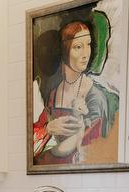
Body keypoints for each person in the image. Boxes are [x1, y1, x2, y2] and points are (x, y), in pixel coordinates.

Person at [33, 21, 117, 165]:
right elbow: (33, 142)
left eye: (88, 44)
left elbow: (93, 151)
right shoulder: (52, 95)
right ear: (64, 51)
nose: (86, 54)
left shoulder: (96, 96)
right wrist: (48, 128)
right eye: (78, 47)